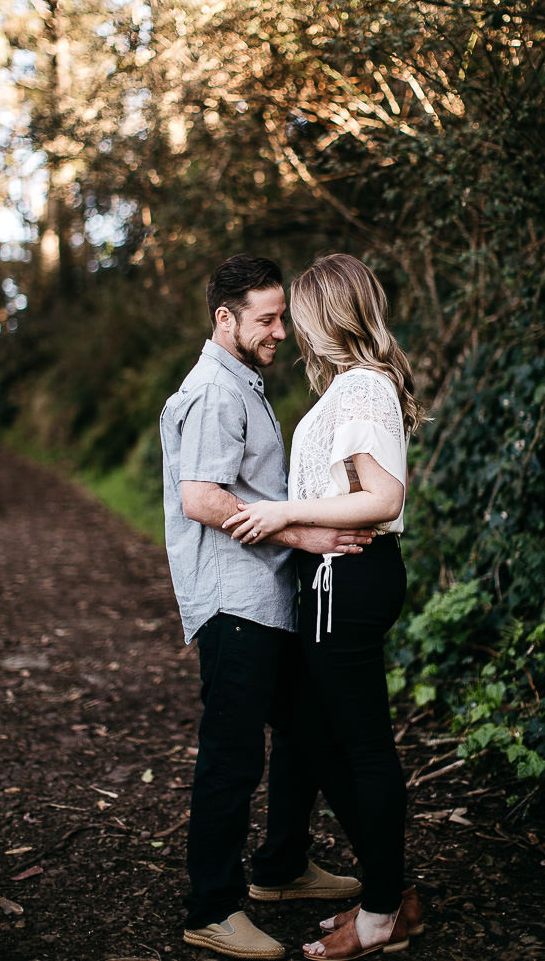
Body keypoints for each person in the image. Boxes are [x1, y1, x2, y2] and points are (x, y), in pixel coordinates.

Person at [160, 254, 373, 961]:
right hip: (235, 601)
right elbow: (202, 496)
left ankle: (280, 869)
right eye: (268, 318)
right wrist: (303, 529)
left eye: (282, 315)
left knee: (307, 730)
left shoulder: (242, 384)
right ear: (225, 319)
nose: (282, 329)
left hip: (268, 599)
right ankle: (211, 908)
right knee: (232, 756)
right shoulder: (215, 392)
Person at [223, 254, 424, 961]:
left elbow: (384, 497)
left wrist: (281, 513)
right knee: (311, 726)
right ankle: (378, 886)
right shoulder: (350, 387)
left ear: (325, 312)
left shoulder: (363, 387)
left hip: (351, 578)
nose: (292, 327)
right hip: (336, 581)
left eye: (299, 312)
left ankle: (381, 911)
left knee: (360, 744)